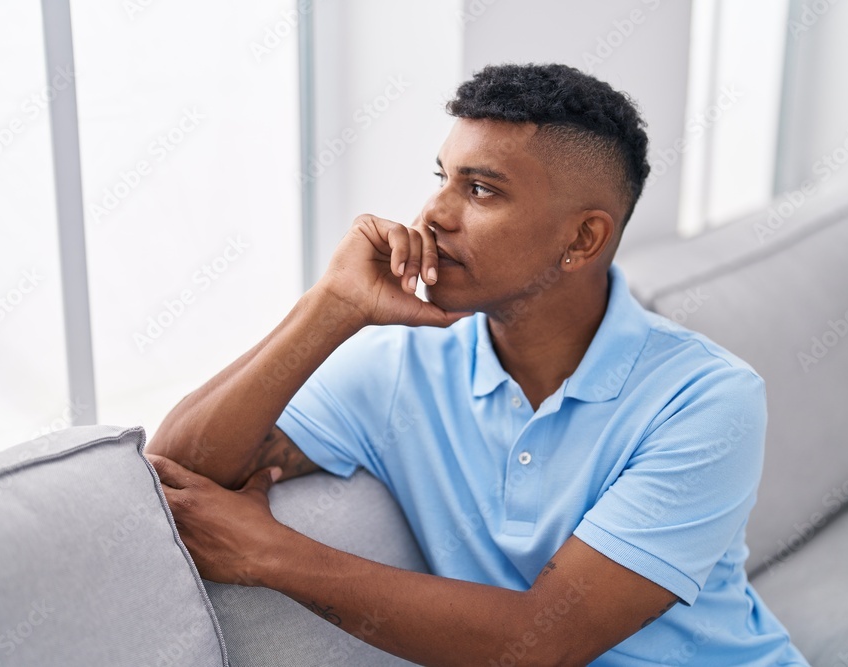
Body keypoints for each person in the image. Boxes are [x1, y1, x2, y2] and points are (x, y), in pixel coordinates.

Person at [145, 63, 809, 666]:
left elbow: (543, 640)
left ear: (583, 238)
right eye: (442, 178)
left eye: (481, 190)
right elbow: (176, 469)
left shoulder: (707, 400)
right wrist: (330, 307)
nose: (433, 214)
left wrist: (270, 554)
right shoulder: (401, 365)